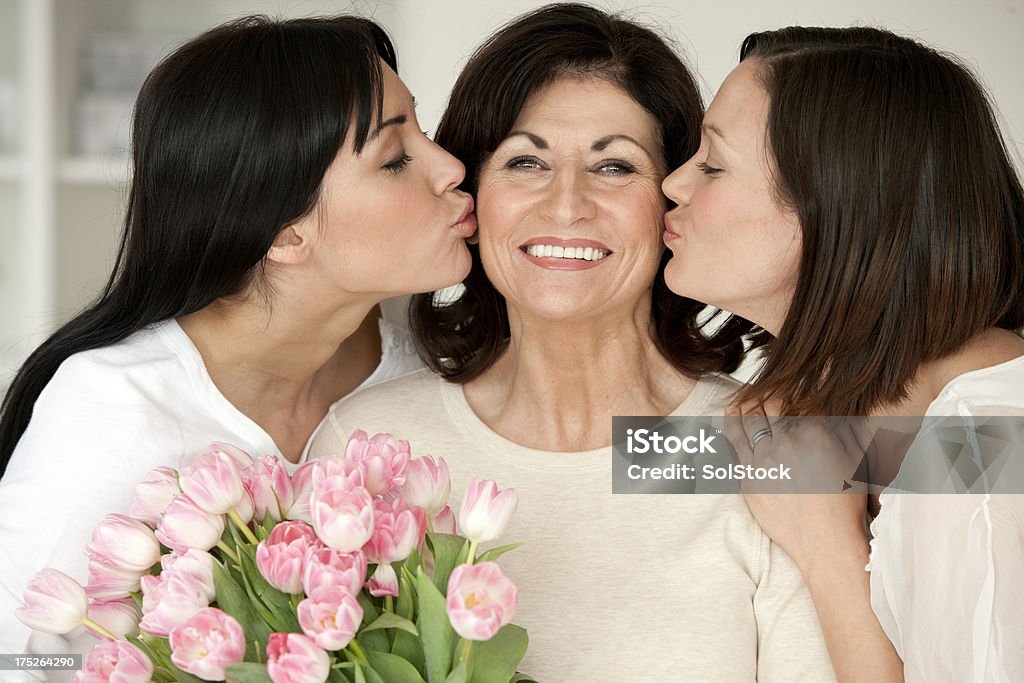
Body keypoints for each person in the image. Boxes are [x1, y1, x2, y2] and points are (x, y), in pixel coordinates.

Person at [312, 5, 835, 680]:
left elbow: (993, 456)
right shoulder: (365, 449)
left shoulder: (772, 447)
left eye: (615, 167)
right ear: (471, 196)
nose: (566, 205)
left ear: (673, 200)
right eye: (526, 161)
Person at [0, 14, 476, 673]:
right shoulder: (111, 411)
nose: (451, 166)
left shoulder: (421, 384)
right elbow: (14, 657)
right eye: (396, 158)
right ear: (282, 235)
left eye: (421, 131)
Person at [661, 26, 1024, 681]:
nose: (674, 184)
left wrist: (827, 543)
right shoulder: (874, 424)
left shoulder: (987, 448)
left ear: (833, 206)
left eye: (712, 164)